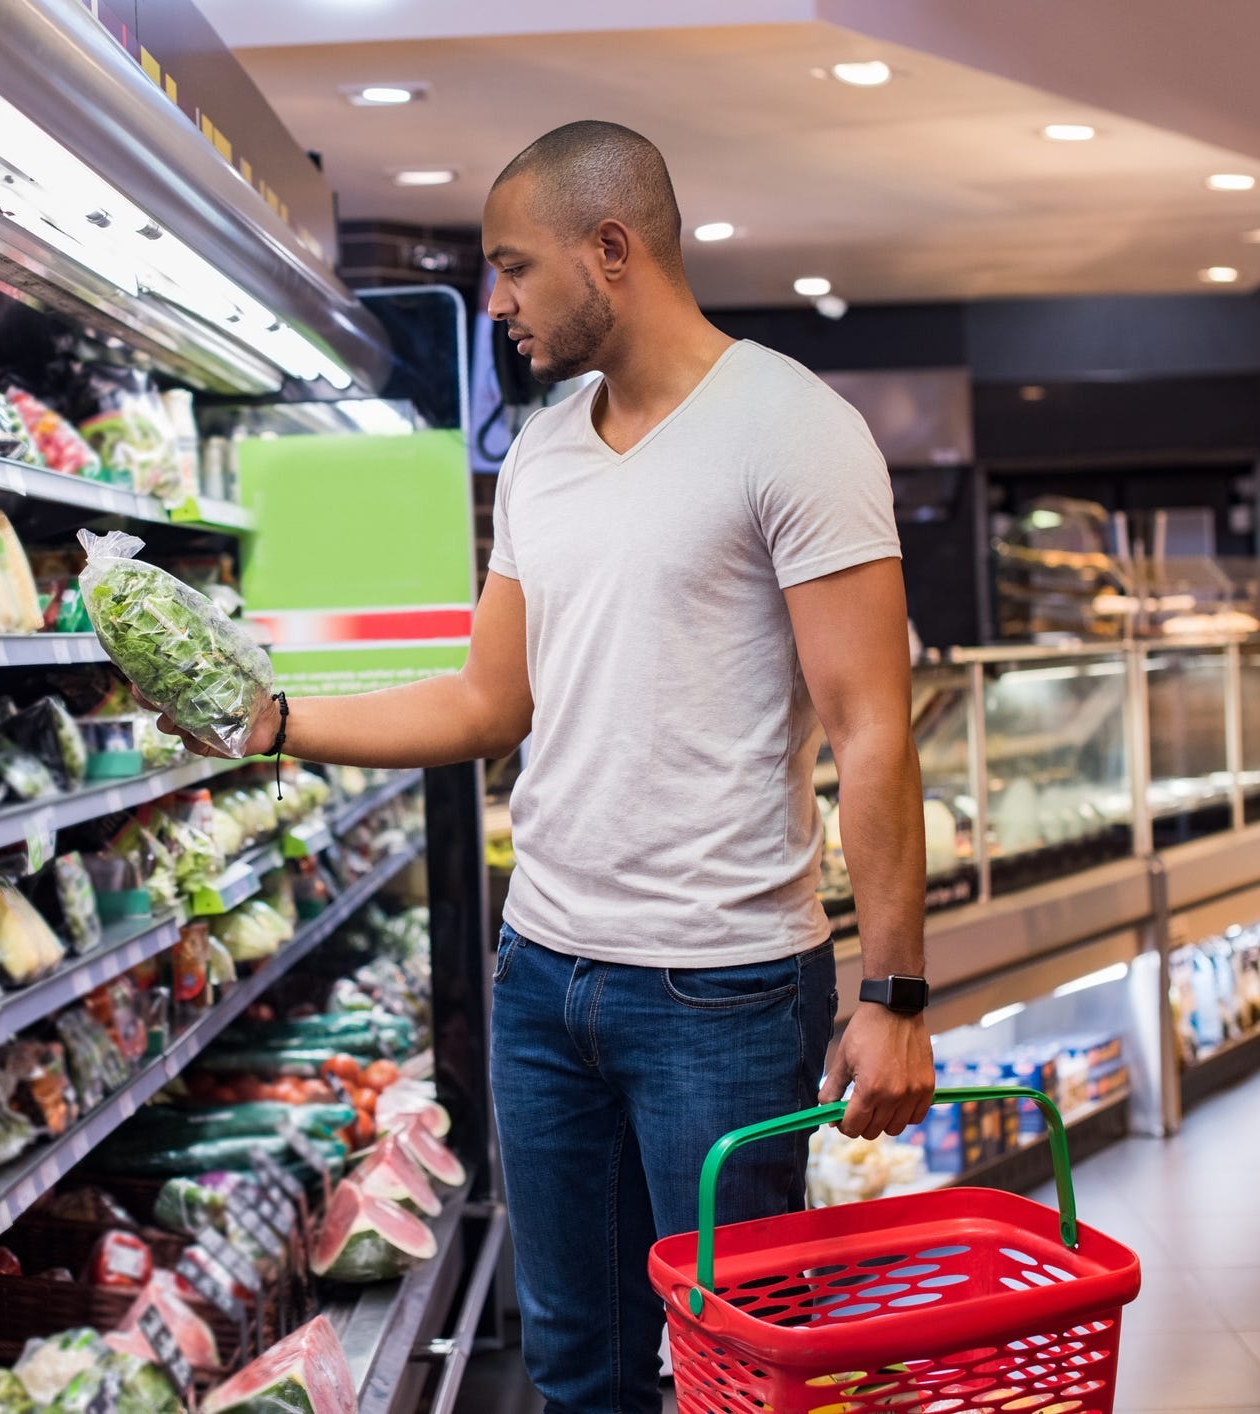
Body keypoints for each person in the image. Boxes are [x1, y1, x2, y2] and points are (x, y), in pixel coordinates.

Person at [152, 120, 935, 1413]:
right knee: (577, 1366)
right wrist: (272, 722)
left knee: (735, 1371)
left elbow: (871, 727)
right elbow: (482, 699)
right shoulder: (542, 454)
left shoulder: (793, 428)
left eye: (511, 269)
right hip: (543, 979)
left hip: (721, 990)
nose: (493, 304)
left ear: (610, 250)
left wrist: (892, 988)